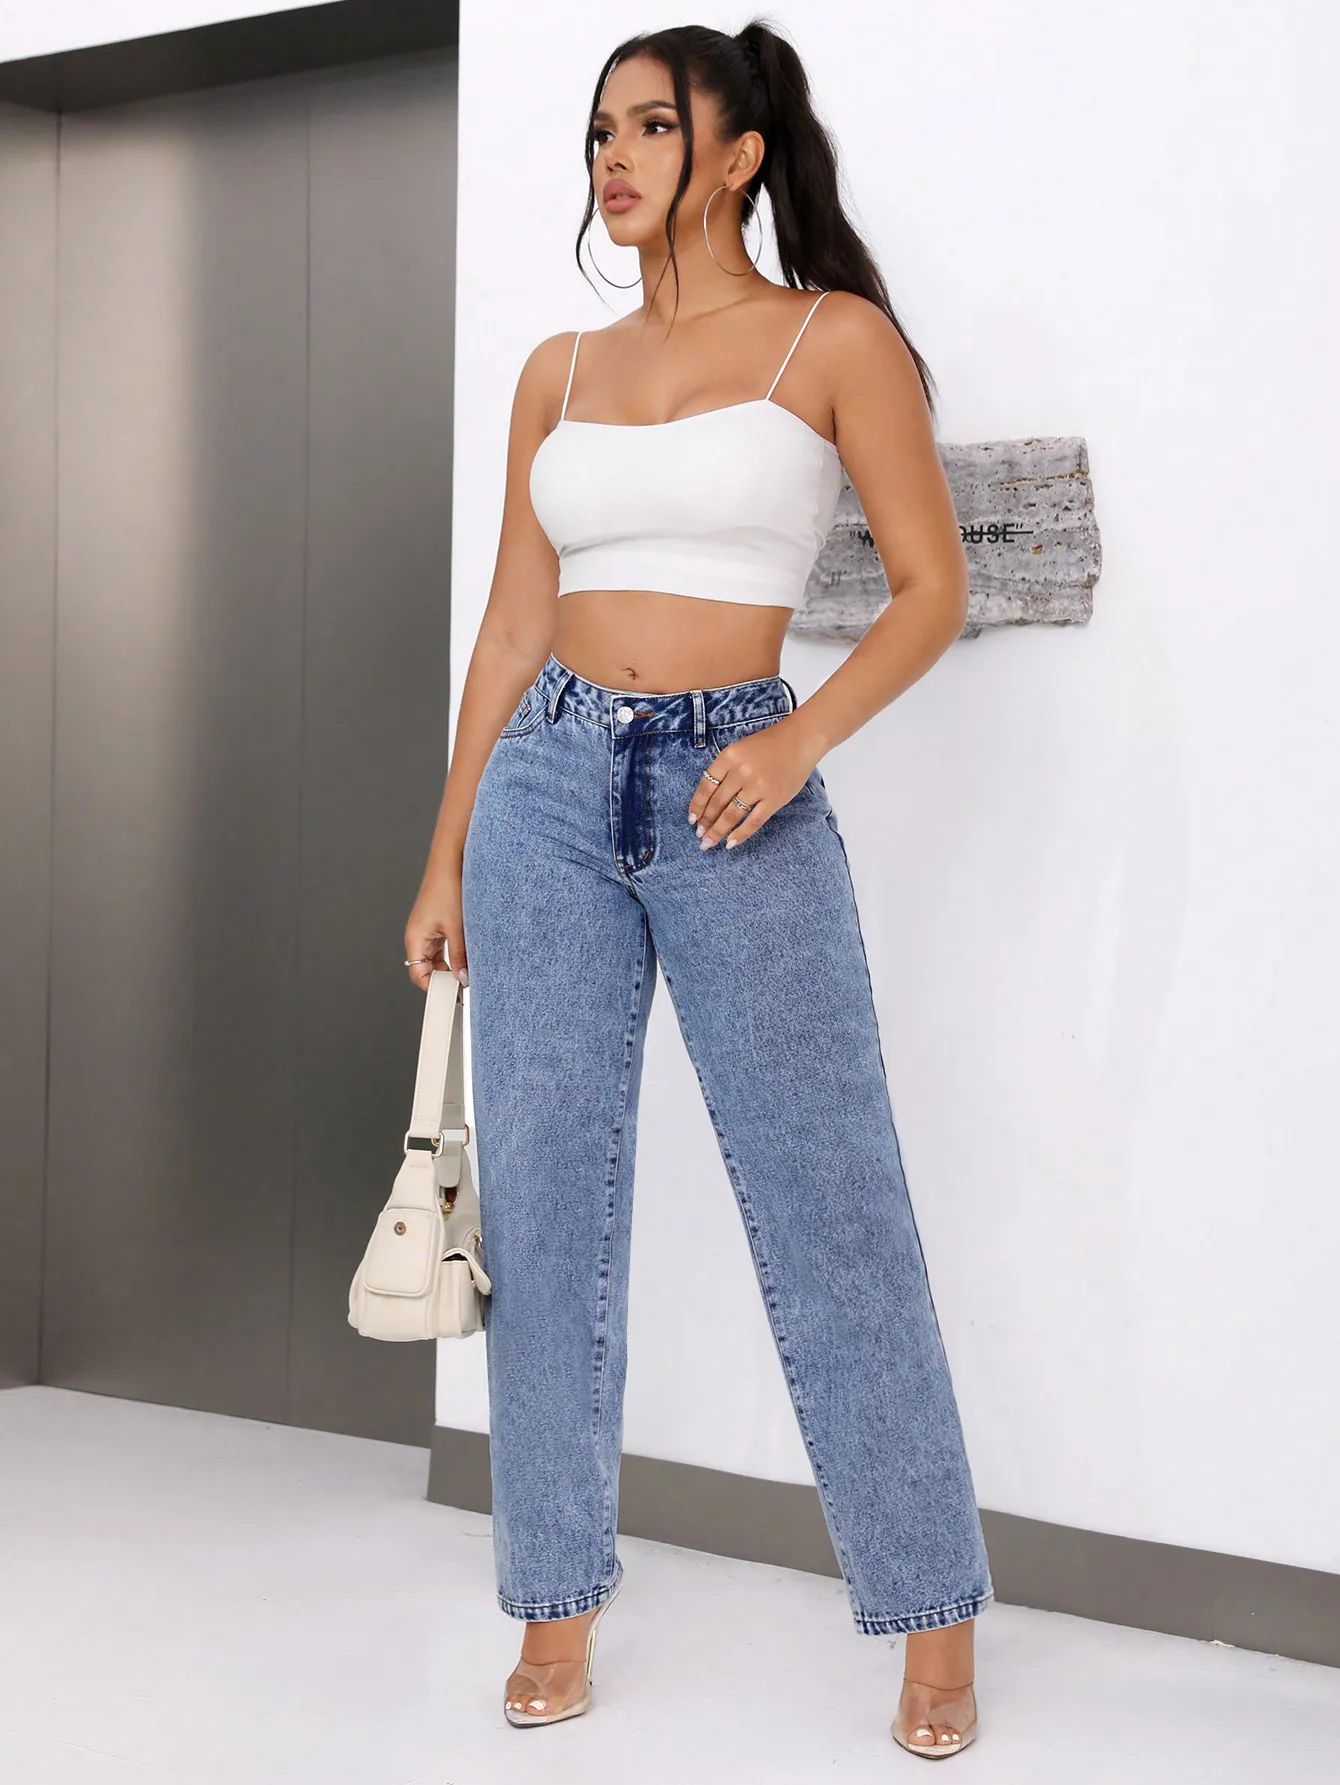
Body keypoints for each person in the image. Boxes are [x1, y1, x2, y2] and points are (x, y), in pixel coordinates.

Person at [404, 16, 992, 1760]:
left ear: (737, 155)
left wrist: (798, 739)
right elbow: (512, 625)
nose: (617, 155)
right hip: (543, 794)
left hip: (743, 784)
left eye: (654, 126)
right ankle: (554, 1601)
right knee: (547, 1213)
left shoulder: (833, 339)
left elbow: (931, 588)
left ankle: (934, 1614)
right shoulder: (558, 370)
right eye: (603, 128)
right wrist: (444, 848)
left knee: (832, 1205)